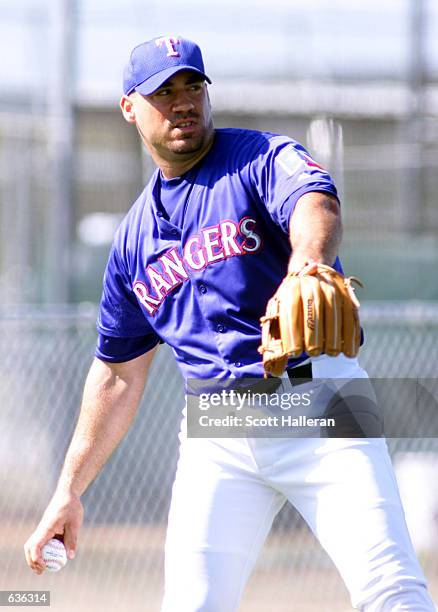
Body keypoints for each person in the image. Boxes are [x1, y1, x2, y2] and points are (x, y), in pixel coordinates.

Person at [24, 36, 435, 611]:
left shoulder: (259, 157)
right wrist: (67, 492)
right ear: (129, 108)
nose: (183, 101)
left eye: (192, 85)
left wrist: (307, 264)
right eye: (163, 92)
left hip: (317, 401)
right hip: (216, 430)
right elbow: (117, 375)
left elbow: (315, 202)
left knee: (391, 590)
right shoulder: (133, 239)